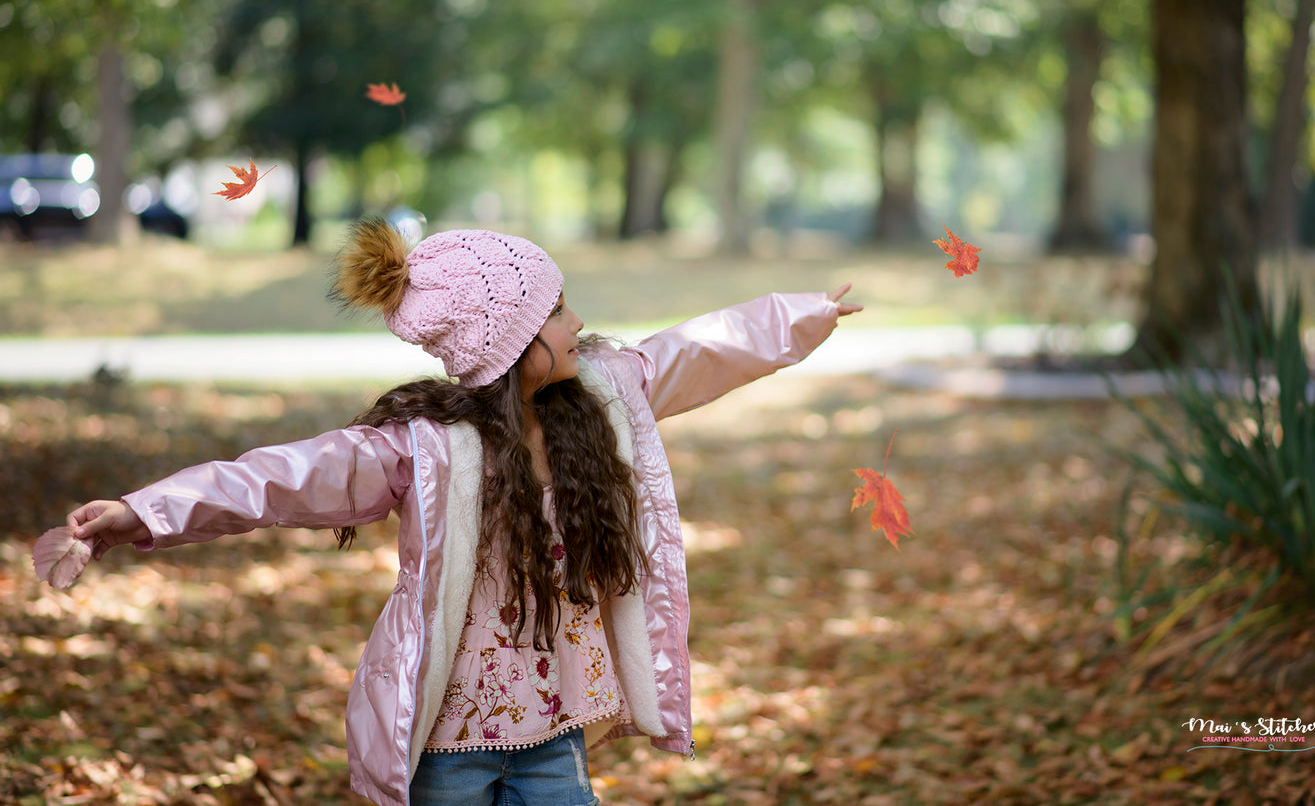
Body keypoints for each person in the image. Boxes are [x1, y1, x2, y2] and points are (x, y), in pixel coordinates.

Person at [55, 217, 863, 806]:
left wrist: (801, 317)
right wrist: (145, 511)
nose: (576, 322)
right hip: (445, 746)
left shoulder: (606, 396)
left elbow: (696, 349)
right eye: (555, 311)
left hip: (554, 735)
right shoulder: (422, 448)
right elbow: (279, 478)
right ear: (505, 342)